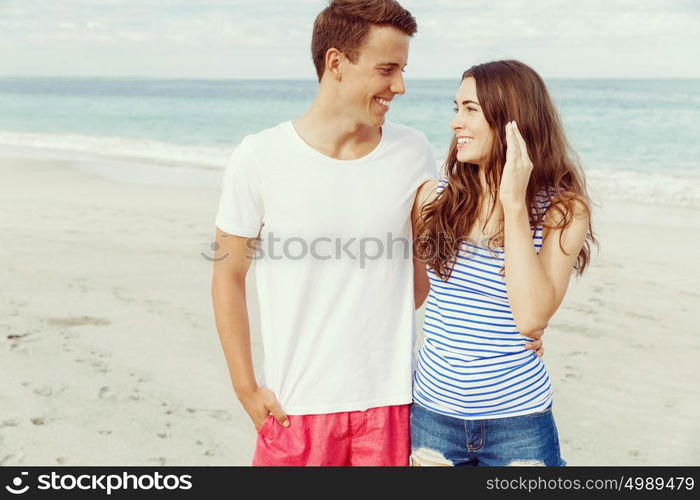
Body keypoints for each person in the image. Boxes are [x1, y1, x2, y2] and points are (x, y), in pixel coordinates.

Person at [212, 0, 451, 467]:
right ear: (336, 63)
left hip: (392, 405)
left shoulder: (413, 150)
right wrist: (245, 386)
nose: (399, 86)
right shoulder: (260, 156)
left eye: (403, 70)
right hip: (296, 407)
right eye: (387, 70)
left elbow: (419, 285)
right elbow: (227, 276)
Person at [410, 60, 596, 466]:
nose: (455, 123)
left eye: (470, 109)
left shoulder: (562, 210)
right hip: (432, 415)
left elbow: (530, 317)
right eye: (455, 108)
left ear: (511, 120)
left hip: (518, 423)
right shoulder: (431, 199)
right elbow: (409, 293)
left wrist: (514, 203)